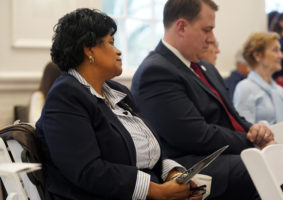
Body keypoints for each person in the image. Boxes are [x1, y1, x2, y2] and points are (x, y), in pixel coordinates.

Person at [36, 8, 203, 200]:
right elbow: (87, 170)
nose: (119, 50)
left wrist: (173, 175)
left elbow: (148, 146)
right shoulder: (66, 96)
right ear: (89, 49)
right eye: (111, 42)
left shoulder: (118, 92)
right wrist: (157, 191)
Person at [131, 0, 276, 199]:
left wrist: (255, 131)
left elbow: (232, 115)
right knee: (265, 166)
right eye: (207, 30)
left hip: (222, 153)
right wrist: (252, 143)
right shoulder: (156, 71)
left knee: (282, 161)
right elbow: (196, 136)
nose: (212, 39)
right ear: (181, 26)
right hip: (190, 163)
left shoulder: (205, 68)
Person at [233, 32, 283, 124]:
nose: (281, 55)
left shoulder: (279, 90)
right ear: (257, 55)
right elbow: (243, 130)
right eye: (275, 50)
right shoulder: (245, 88)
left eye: (280, 51)